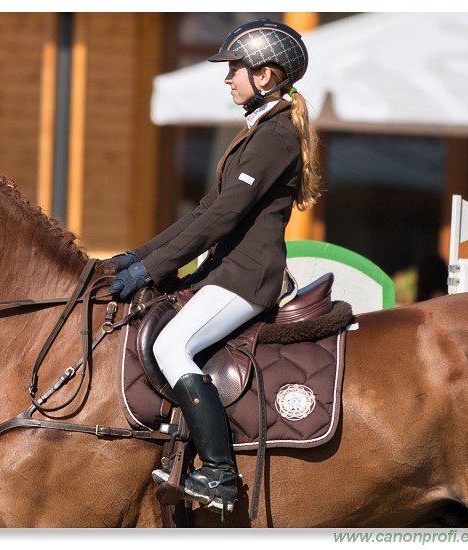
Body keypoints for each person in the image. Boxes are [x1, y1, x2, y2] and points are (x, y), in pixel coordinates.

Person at [105, 18, 321, 516]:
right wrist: (138, 257)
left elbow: (225, 217)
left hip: (248, 277)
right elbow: (204, 210)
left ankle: (221, 476)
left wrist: (152, 270)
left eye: (234, 70)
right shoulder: (258, 130)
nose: (226, 79)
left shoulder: (275, 137)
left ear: (264, 76)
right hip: (226, 271)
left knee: (170, 344)